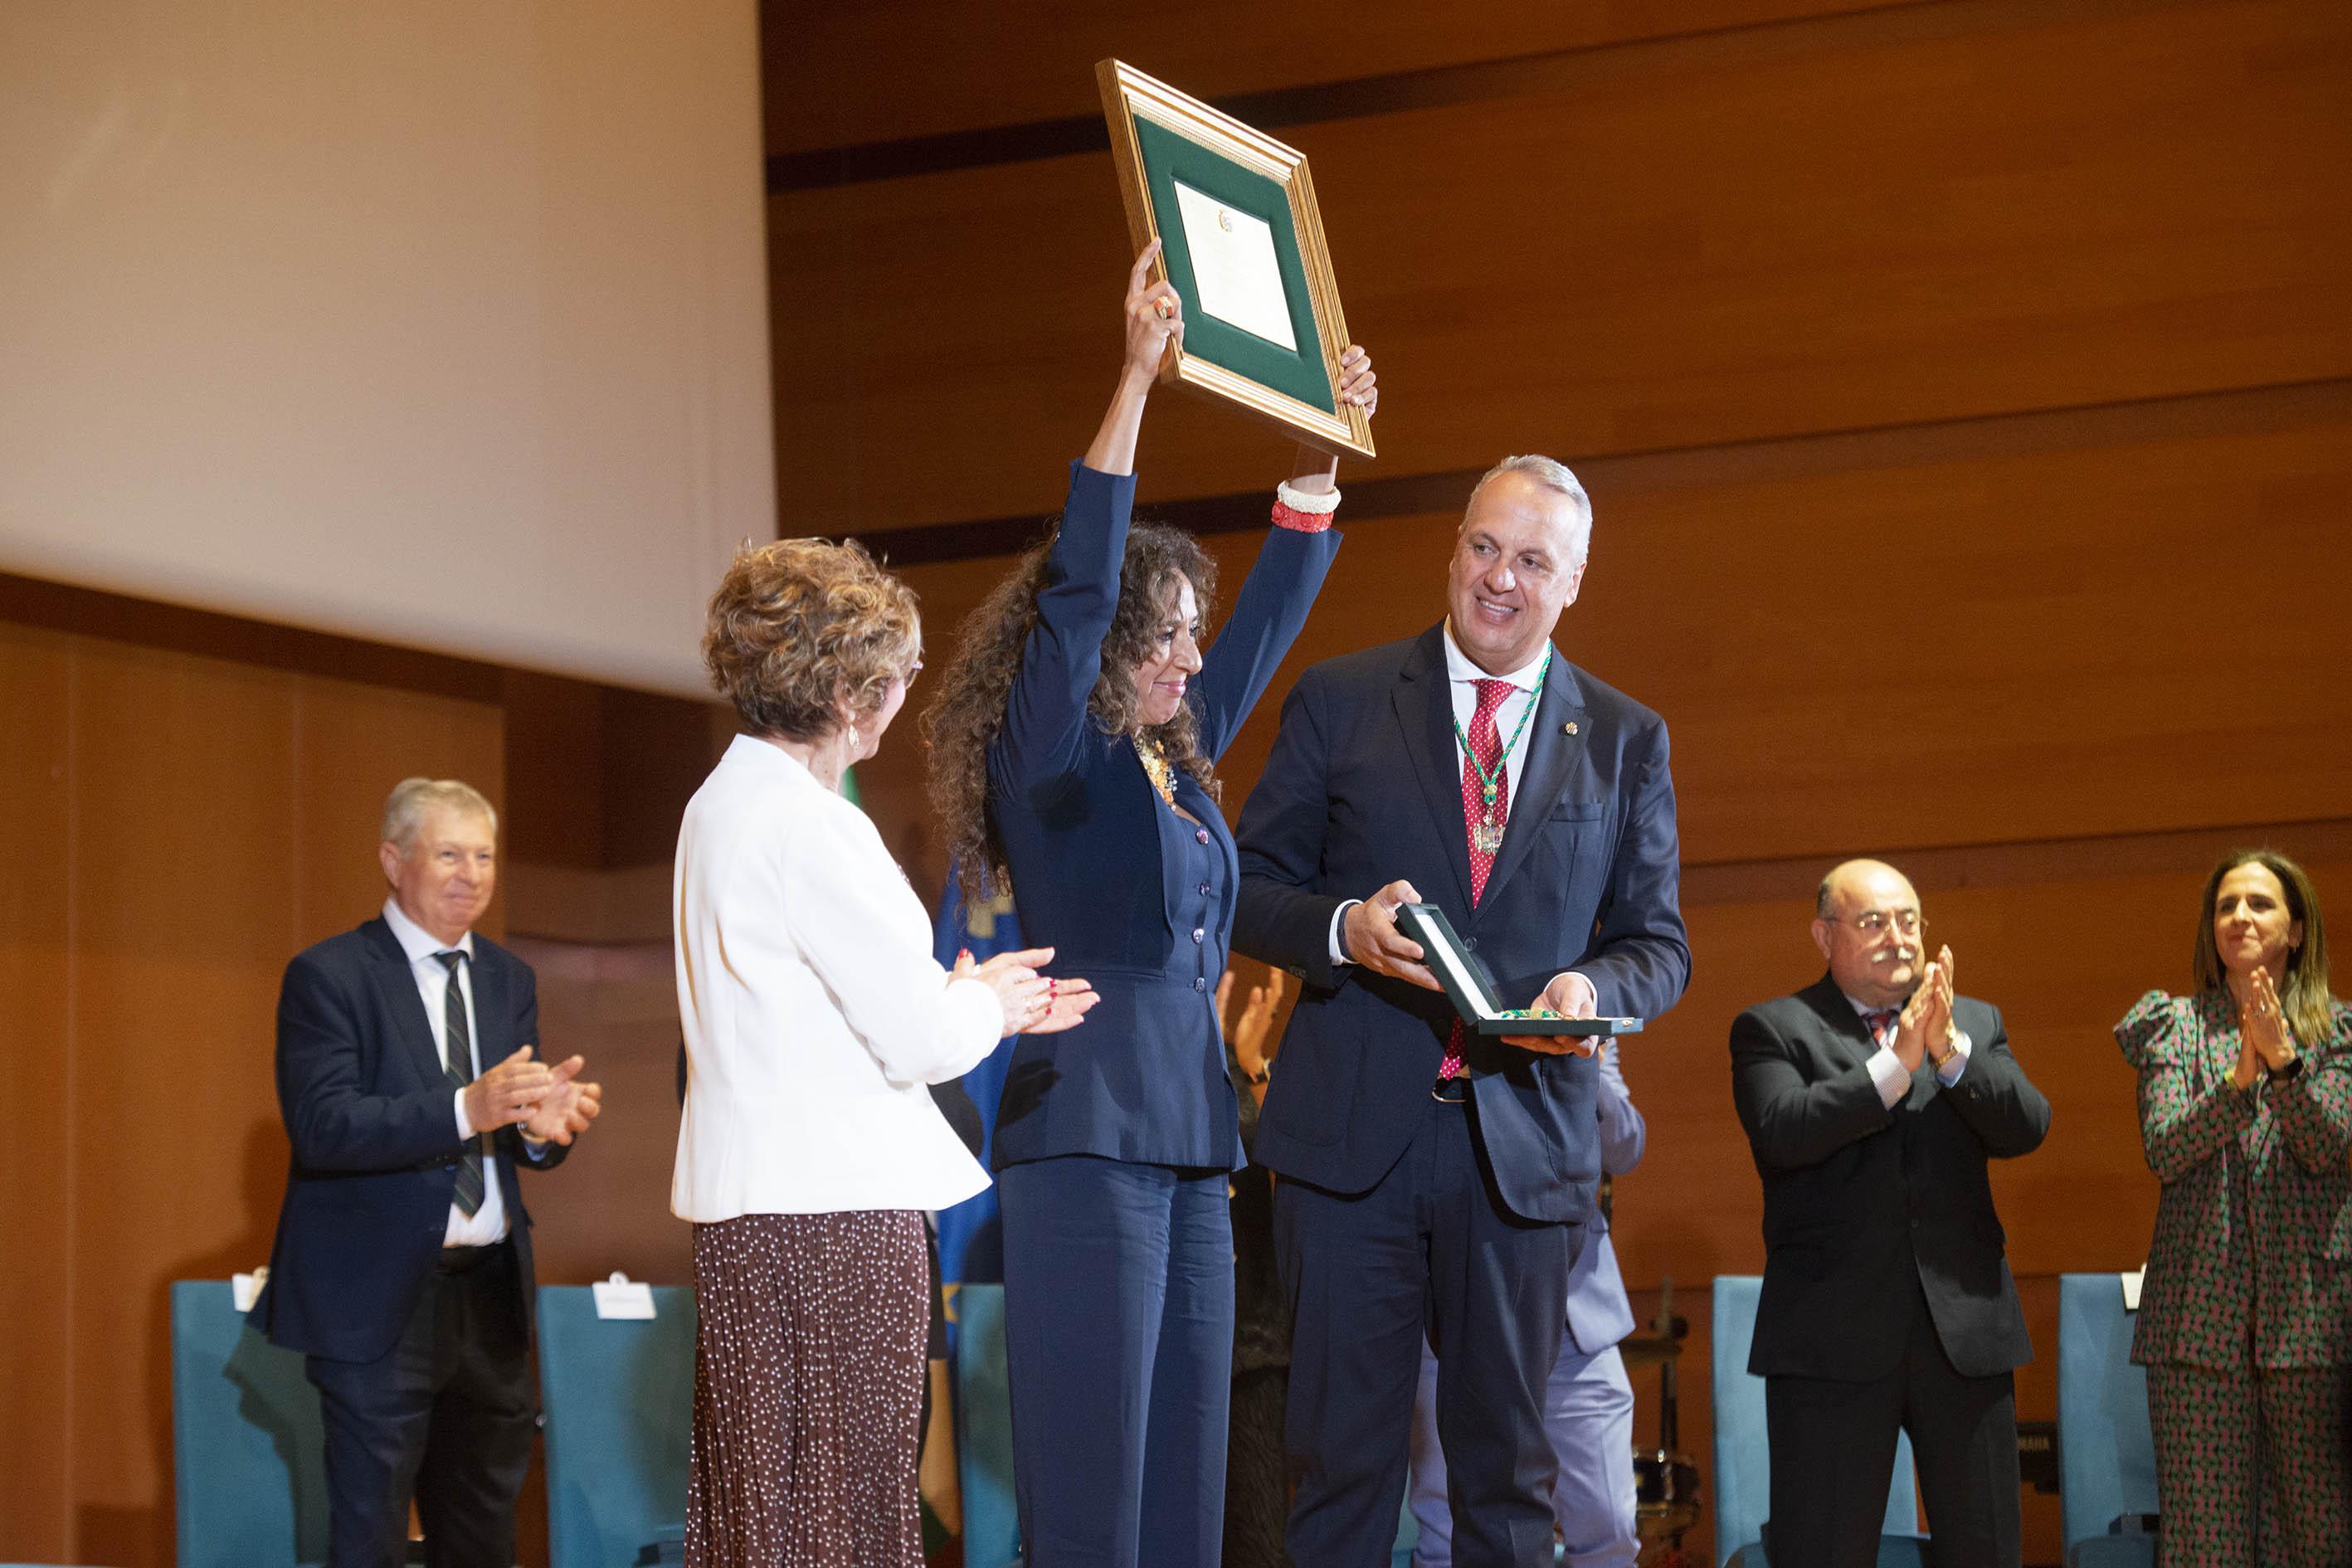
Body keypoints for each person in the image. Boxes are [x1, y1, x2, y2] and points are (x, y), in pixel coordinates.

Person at [921, 241, 1376, 1568]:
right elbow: (1078, 581)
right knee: (1091, 1487)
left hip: (1191, 1140)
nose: (1186, 653)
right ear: (1104, 646)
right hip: (1082, 1141)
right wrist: (1133, 377)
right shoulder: (1049, 751)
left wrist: (1315, 457)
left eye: (1188, 631)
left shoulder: (1172, 758)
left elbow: (1256, 641)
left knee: (1189, 1479)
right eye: (1161, 630)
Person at [1231, 451, 1689, 1567]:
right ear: (1452, 551)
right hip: (1350, 1151)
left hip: (1522, 1151)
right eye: (1482, 546)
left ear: (1570, 582)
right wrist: (1342, 926)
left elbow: (1657, 944)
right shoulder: (1341, 698)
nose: (1498, 577)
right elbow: (1244, 881)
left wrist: (1594, 988)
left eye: (1531, 560)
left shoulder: (1625, 737)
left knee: (1504, 1481)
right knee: (1339, 1472)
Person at [671, 538, 1098, 1567]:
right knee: (843, 1513)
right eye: (900, 670)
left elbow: (808, 1013)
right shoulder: (818, 827)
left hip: (750, 1223)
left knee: (764, 1513)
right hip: (837, 1225)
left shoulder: (716, 808)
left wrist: (957, 997)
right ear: (851, 686)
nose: (907, 689)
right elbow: (918, 1036)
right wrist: (984, 1001)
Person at [254, 777, 602, 1568]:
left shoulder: (507, 979)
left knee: (483, 1535)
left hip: (489, 1297)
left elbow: (508, 1131)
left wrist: (541, 1133)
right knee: (371, 1536)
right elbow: (322, 1125)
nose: (471, 874)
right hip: (378, 1304)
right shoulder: (330, 975)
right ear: (392, 859)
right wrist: (464, 1110)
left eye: (483, 855)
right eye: (448, 853)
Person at [1728, 858, 2049, 1568]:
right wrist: (1897, 1065)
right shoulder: (1773, 1028)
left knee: (1986, 1551)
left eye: (1909, 921)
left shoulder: (1973, 1022)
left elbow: (2026, 1126)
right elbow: (1786, 1128)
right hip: (1830, 1341)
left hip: (1965, 1337)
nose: (1897, 938)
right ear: (1823, 935)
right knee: (1822, 1551)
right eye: (1872, 921)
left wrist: (1949, 1053)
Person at [2116, 849, 2351, 1568]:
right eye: (2225, 906)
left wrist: (2283, 1066)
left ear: (2298, 929)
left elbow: (2325, 1145)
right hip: (2197, 1328)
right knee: (2203, 1547)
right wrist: (2238, 1080)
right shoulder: (2173, 1026)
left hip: (2310, 1324)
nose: (2239, 917)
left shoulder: (2340, 1034)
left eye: (2258, 903)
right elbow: (2165, 1148)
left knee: (2318, 1535)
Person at [1406, 1033, 1645, 1568]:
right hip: (1451, 1311)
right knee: (1447, 1531)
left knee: (1609, 1528)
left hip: (1573, 1315)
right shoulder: (1429, 1012)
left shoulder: (1575, 1001)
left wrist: (1585, 1071)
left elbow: (1627, 1145)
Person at [1220, 966, 1296, 1568]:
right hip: (1158, 1345)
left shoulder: (1237, 1064)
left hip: (1252, 1346)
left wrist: (1252, 1062)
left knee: (1258, 1542)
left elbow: (1289, 1164)